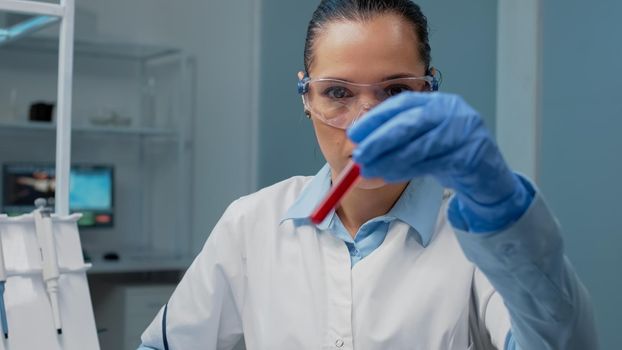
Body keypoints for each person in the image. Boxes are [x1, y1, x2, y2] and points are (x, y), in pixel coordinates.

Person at [139, 1, 598, 349]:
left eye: (395, 90)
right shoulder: (251, 224)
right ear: (306, 96)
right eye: (337, 92)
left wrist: (501, 209)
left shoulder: (471, 238)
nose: (365, 123)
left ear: (429, 90)